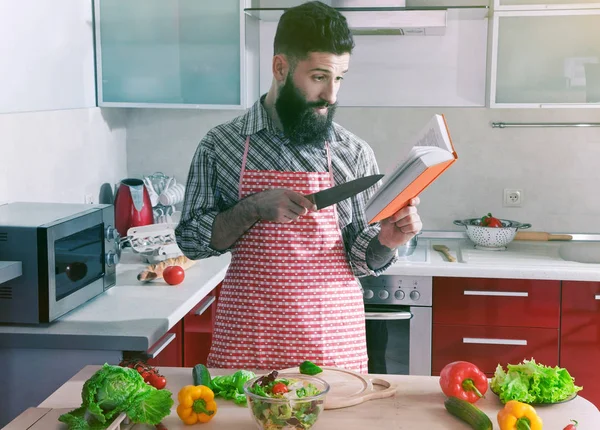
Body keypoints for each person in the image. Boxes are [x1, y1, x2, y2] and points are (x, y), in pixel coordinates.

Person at [175, 1, 422, 373]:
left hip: (330, 345)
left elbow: (359, 257)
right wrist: (251, 207)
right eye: (320, 77)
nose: (332, 95)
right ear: (281, 68)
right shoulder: (221, 146)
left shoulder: (352, 153)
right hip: (248, 341)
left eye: (339, 78)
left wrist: (386, 240)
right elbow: (191, 242)